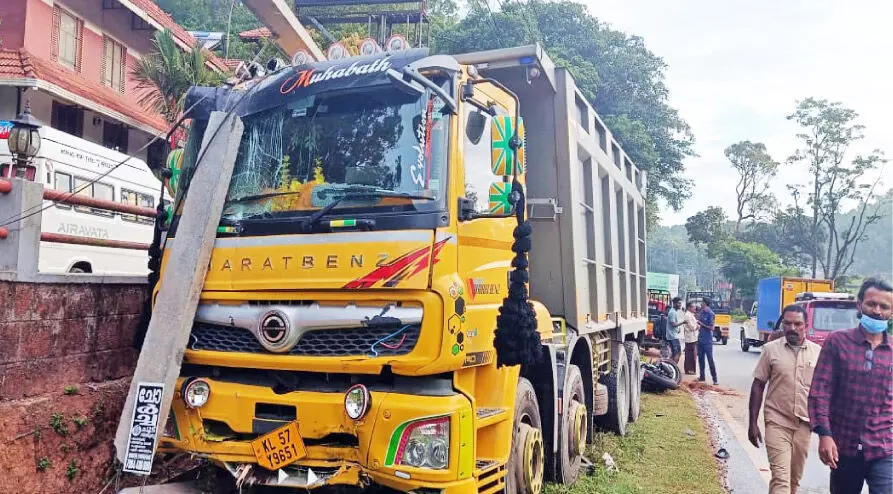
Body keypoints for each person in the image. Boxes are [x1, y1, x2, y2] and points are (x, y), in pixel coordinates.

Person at [808, 278, 893, 494]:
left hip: (885, 447)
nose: (877, 311)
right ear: (859, 305)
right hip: (844, 447)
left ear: (891, 312)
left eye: (884, 307)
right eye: (871, 304)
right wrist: (824, 434)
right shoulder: (837, 342)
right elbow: (821, 391)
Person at [748, 304, 821, 494]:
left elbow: (824, 392)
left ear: (806, 325)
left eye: (798, 324)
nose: (792, 328)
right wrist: (752, 423)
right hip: (777, 421)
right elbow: (758, 385)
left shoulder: (818, 353)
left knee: (793, 481)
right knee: (781, 480)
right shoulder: (771, 350)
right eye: (787, 323)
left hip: (804, 425)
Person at [697, 297, 718, 385]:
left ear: (705, 303)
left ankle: (715, 379)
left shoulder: (710, 314)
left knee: (710, 360)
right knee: (701, 359)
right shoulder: (701, 312)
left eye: (701, 302)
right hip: (700, 339)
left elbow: (712, 328)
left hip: (707, 341)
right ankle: (702, 377)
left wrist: (701, 324)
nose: (700, 304)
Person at [665, 297, 684, 363]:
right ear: (674, 303)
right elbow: (673, 324)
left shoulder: (673, 312)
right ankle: (673, 367)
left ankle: (672, 367)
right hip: (672, 336)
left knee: (676, 353)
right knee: (676, 353)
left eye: (680, 303)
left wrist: (678, 329)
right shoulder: (672, 312)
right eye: (679, 303)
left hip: (673, 335)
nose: (680, 305)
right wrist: (683, 322)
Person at [683, 301, 700, 374]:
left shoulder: (691, 315)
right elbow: (692, 327)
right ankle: (689, 370)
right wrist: (698, 326)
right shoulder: (687, 315)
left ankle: (690, 369)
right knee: (690, 355)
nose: (694, 308)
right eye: (693, 307)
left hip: (693, 337)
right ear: (689, 308)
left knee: (692, 355)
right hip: (690, 338)